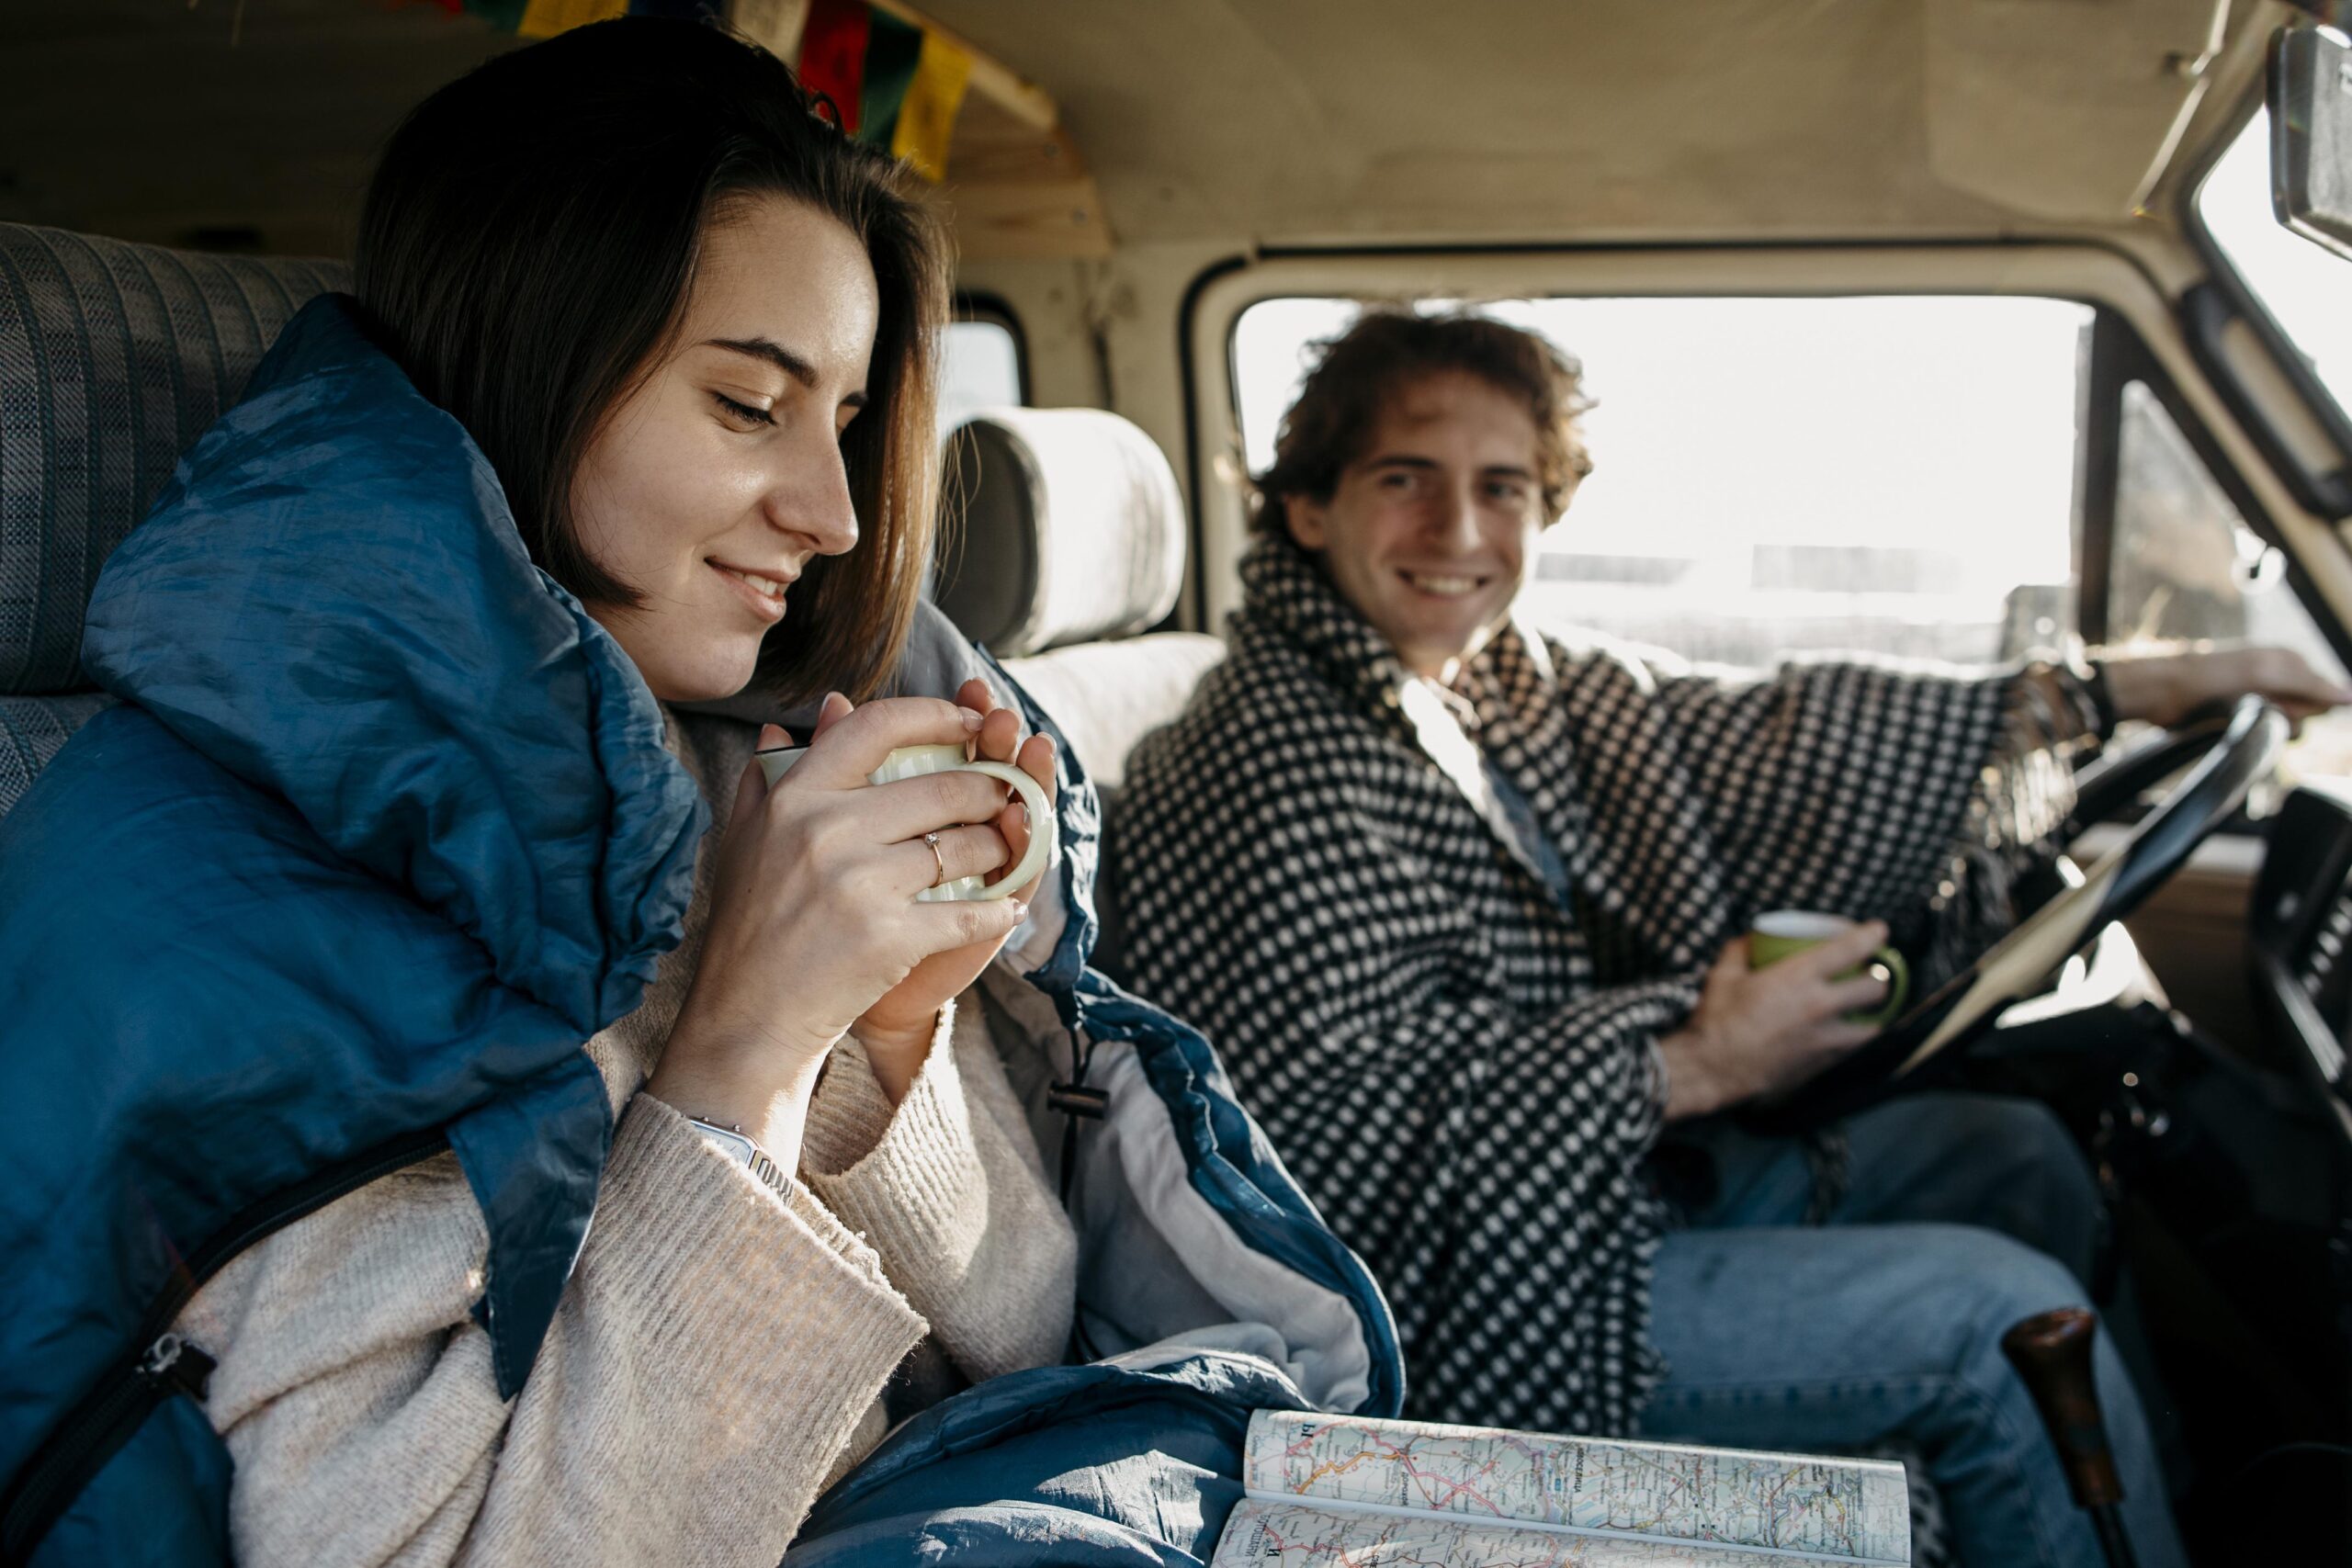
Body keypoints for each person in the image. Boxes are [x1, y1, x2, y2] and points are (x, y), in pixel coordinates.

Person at [0, 21, 1396, 1566]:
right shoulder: (231, 906)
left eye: (849, 424)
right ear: (533, 365)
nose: (838, 515)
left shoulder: (742, 744)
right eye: (748, 406)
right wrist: (742, 1047)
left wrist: (887, 1038)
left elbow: (1014, 1339)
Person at [1118, 310, 2351, 1568]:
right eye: (1404, 480)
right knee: (2000, 1320)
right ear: (1310, 510)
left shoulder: (1485, 681)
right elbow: (1330, 1148)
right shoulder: (1274, 757)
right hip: (1440, 1300)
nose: (1461, 533)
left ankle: (2167, 1523)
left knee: (2015, 1153)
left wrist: (2112, 692)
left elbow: (1748, 739)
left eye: (1504, 488)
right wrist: (1696, 1063)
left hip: (1575, 1190)